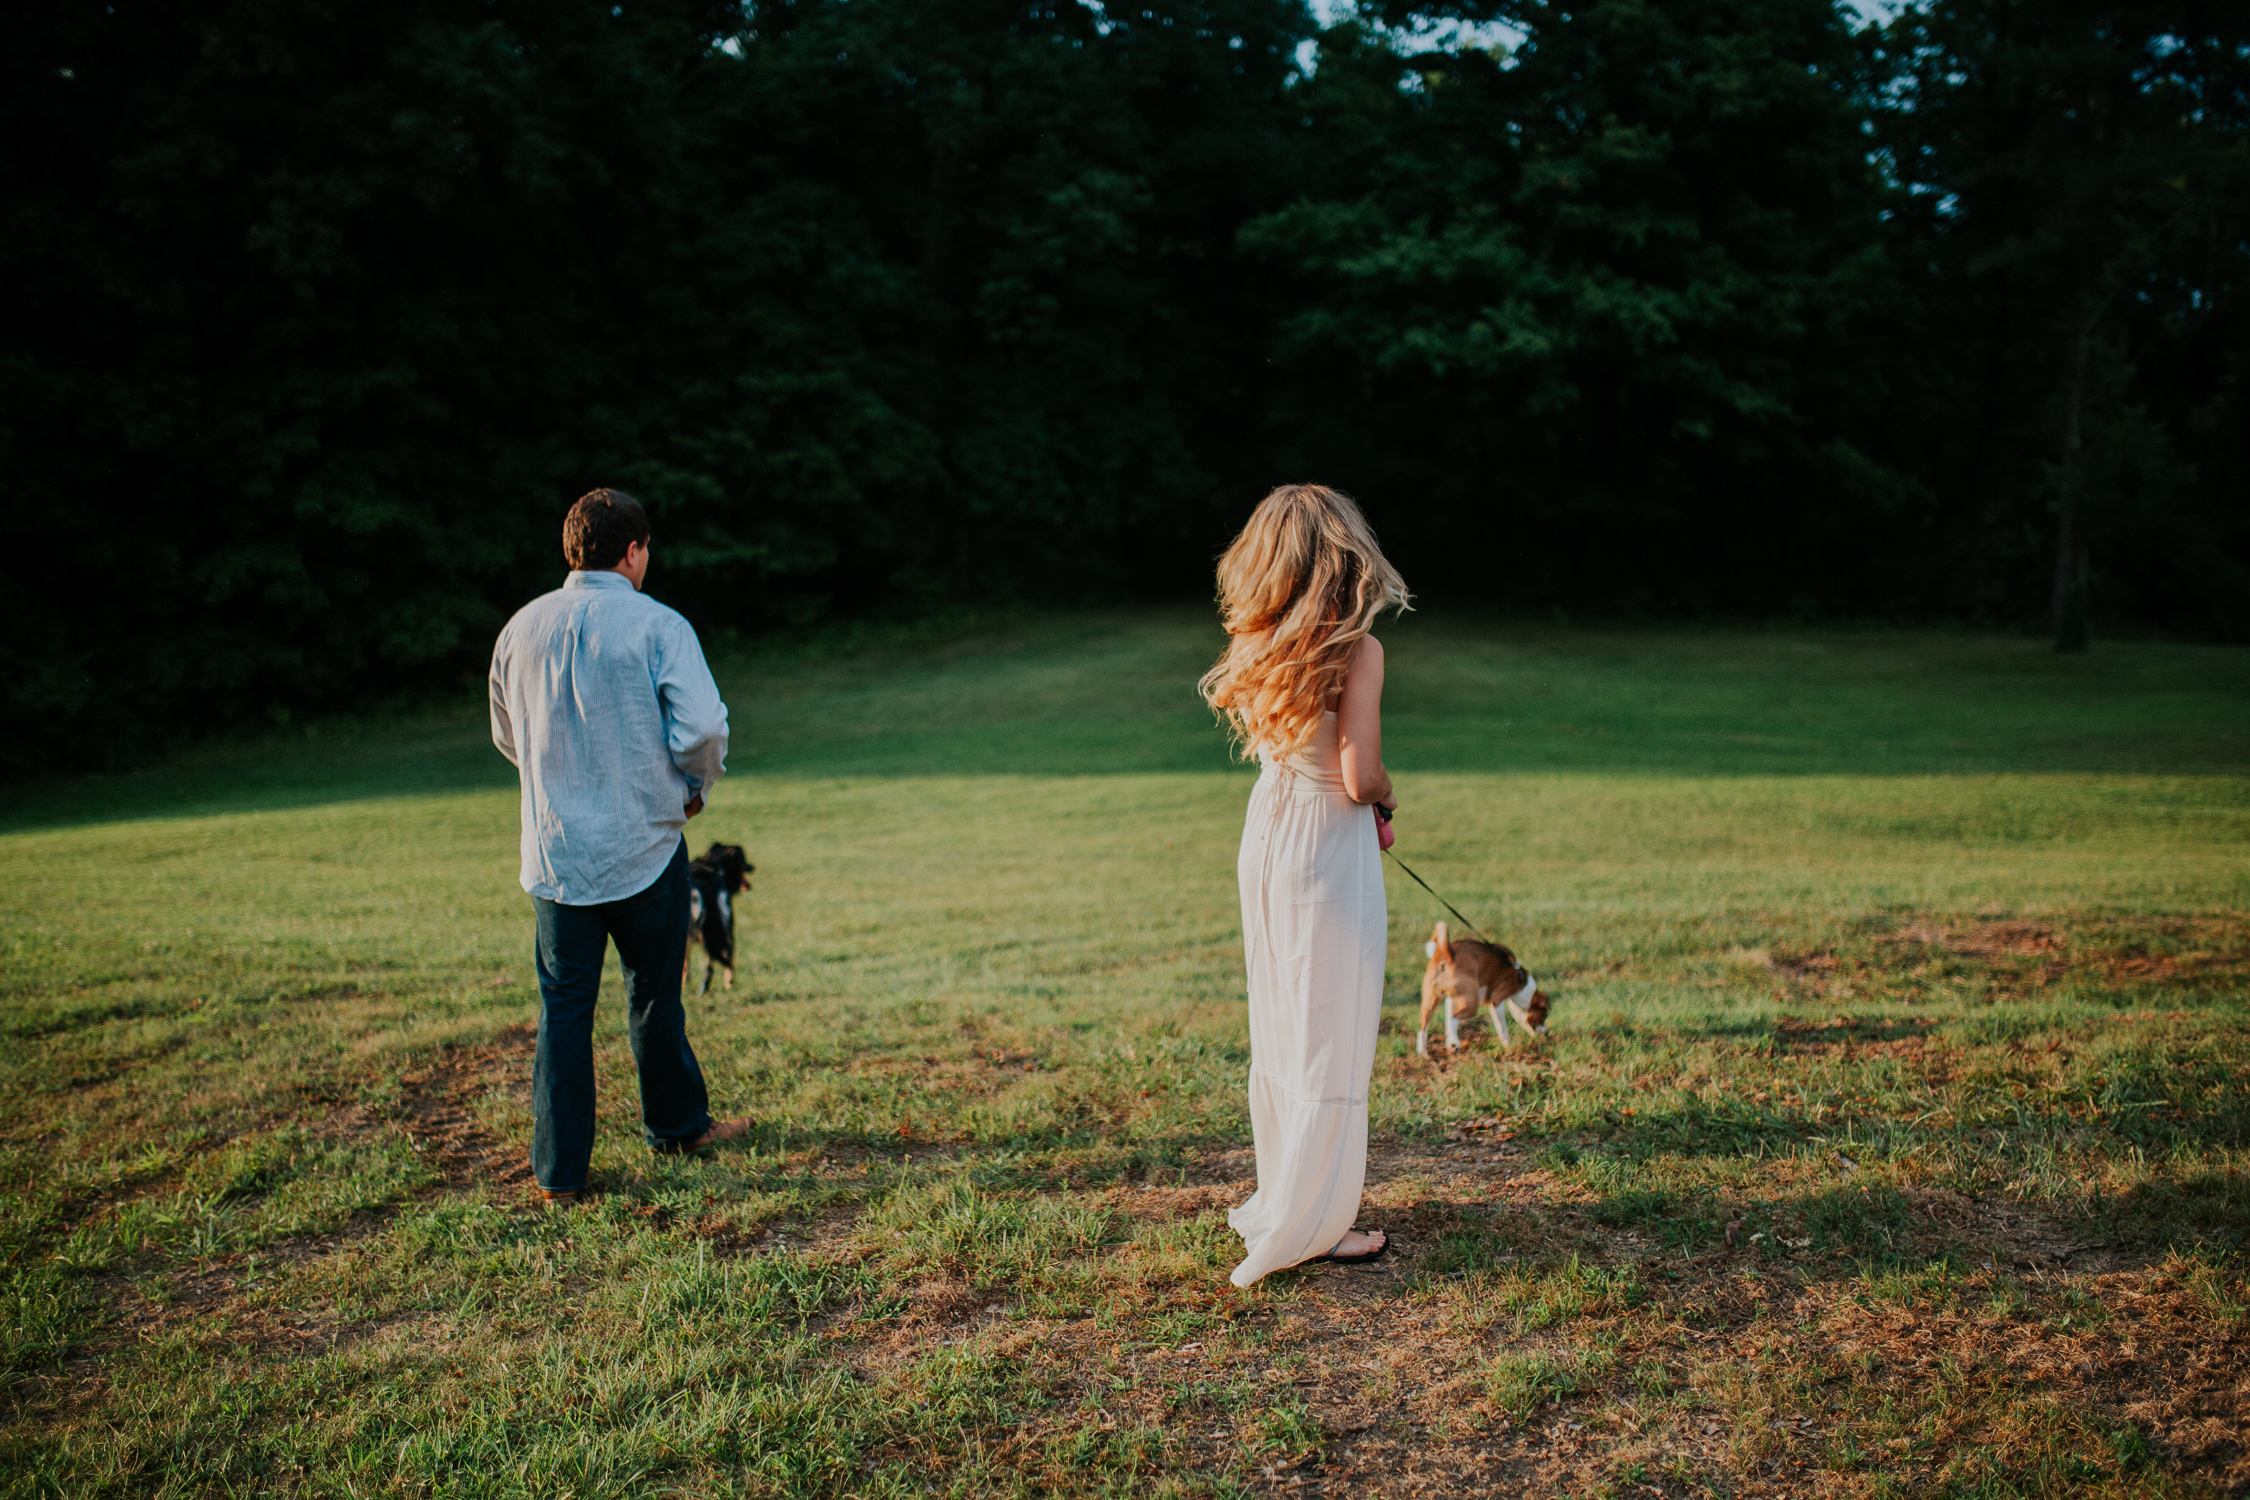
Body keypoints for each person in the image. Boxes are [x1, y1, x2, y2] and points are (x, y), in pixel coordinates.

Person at [489, 489, 750, 1204]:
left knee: (564, 1008)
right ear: (633, 551)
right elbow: (701, 728)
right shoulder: (658, 624)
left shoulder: (520, 627)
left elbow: (508, 734)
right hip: (642, 845)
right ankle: (676, 1127)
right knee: (653, 999)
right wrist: (695, 785)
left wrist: (556, 778)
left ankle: (559, 1173)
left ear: (572, 550)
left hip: (557, 855)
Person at [1199, 484, 1409, 1286]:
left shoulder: (1258, 641)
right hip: (1326, 842)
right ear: (1346, 558)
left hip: (1269, 837)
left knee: (1285, 1023)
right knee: (1332, 1028)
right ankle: (1317, 1223)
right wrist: (1388, 792)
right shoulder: (1357, 649)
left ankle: (1293, 1192)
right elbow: (1358, 776)